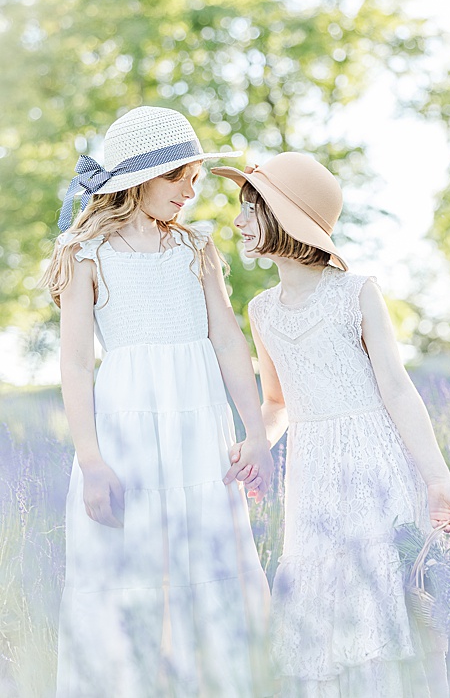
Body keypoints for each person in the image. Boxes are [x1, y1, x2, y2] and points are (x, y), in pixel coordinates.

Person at [212, 152, 450, 698]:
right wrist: (254, 446)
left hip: (377, 463)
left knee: (396, 604)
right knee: (333, 618)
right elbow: (278, 402)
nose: (238, 223)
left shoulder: (356, 292)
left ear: (283, 216)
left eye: (250, 210)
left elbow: (398, 390)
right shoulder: (262, 310)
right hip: (313, 476)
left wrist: (437, 479)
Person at [44, 106, 274, 697]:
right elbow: (74, 362)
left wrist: (256, 433)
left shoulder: (195, 248)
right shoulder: (86, 252)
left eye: (195, 181)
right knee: (132, 579)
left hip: (199, 431)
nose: (189, 193)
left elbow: (227, 339)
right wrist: (91, 460)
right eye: (179, 178)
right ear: (139, 175)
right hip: (126, 435)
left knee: (207, 574)